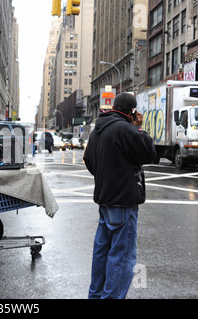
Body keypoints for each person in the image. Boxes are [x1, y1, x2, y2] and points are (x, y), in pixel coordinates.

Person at [83, 93, 155, 299]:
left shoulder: (98, 130)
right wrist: (139, 127)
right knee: (122, 258)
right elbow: (149, 153)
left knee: (102, 253)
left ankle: (96, 295)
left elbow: (89, 160)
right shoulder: (126, 129)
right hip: (123, 203)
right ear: (132, 112)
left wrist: (107, 176)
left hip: (105, 201)